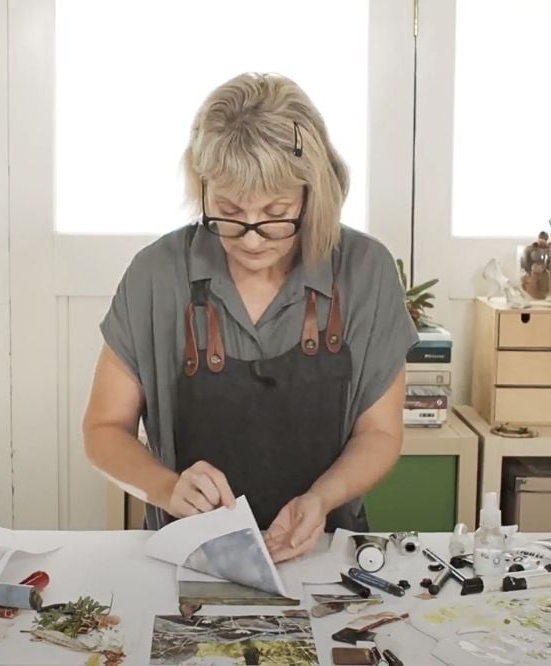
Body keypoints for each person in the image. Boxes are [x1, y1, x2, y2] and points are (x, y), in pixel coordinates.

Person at [83, 72, 418, 563]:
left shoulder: (365, 271)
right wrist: (167, 488)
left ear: (312, 193)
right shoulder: (157, 275)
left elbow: (380, 433)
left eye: (276, 212)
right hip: (189, 559)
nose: (253, 238)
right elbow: (104, 429)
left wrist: (320, 499)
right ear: (202, 187)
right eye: (229, 210)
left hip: (325, 554)